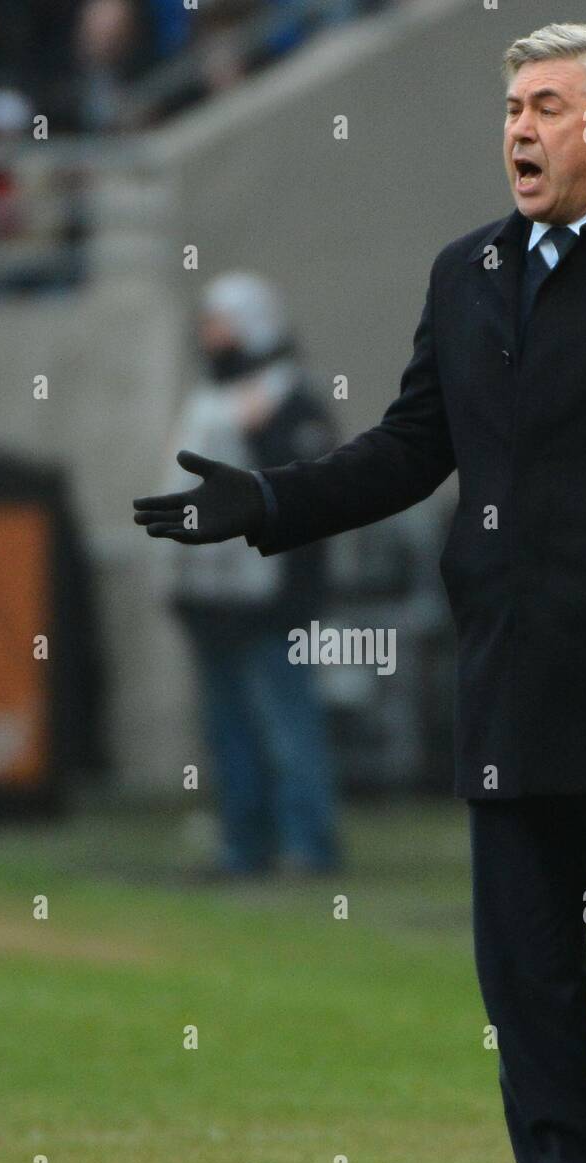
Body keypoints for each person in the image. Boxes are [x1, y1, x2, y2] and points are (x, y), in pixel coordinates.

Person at [135, 23, 586, 1163]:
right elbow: (410, 443)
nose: (518, 131)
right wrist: (270, 501)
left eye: (545, 107)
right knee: (524, 973)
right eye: (511, 109)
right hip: (510, 676)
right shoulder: (466, 268)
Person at [158, 272, 338, 877]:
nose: (211, 338)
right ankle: (244, 843)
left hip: (272, 599)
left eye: (223, 324)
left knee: (286, 726)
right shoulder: (209, 401)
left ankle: (307, 844)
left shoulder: (291, 400)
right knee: (228, 733)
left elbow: (314, 497)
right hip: (210, 599)